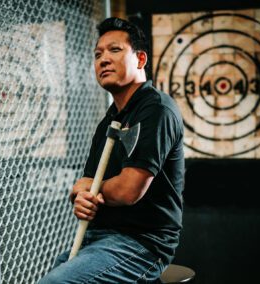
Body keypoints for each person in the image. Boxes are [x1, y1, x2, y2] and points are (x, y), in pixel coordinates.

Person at [38, 17, 185, 283]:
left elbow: (128, 191)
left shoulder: (156, 110)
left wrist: (87, 187)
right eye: (97, 54)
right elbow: (84, 188)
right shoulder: (109, 121)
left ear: (140, 60)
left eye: (115, 50)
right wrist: (80, 198)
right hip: (99, 237)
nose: (103, 59)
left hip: (142, 245)